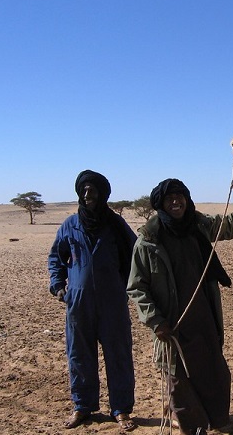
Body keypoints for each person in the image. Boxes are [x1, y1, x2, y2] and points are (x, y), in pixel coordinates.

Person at [127, 178, 233, 435]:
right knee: (178, 380)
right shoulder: (147, 241)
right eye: (170, 198)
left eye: (180, 196)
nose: (175, 201)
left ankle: (215, 420)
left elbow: (231, 224)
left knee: (213, 372)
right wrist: (155, 321)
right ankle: (190, 428)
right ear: (160, 203)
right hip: (171, 324)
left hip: (204, 317)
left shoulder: (199, 225)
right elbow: (137, 288)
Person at [48, 170, 137, 431]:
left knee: (118, 356)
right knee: (79, 356)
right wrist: (58, 286)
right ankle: (82, 407)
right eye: (84, 190)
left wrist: (129, 286)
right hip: (78, 304)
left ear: (103, 194)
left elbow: (135, 256)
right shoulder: (70, 225)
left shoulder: (116, 225)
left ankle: (121, 410)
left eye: (93, 190)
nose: (88, 195)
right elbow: (56, 258)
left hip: (113, 304)